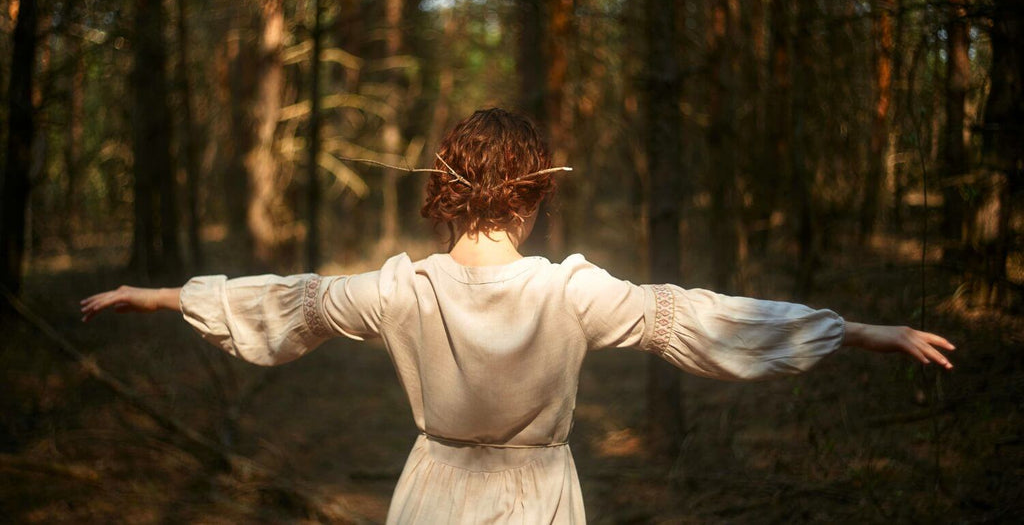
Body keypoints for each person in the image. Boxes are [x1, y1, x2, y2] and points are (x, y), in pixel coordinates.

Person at [80, 108, 955, 524]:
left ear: (445, 195)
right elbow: (709, 322)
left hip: (434, 495)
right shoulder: (573, 290)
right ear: (532, 198)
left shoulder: (399, 288)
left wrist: (158, 295)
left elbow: (279, 300)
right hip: (539, 499)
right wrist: (858, 330)